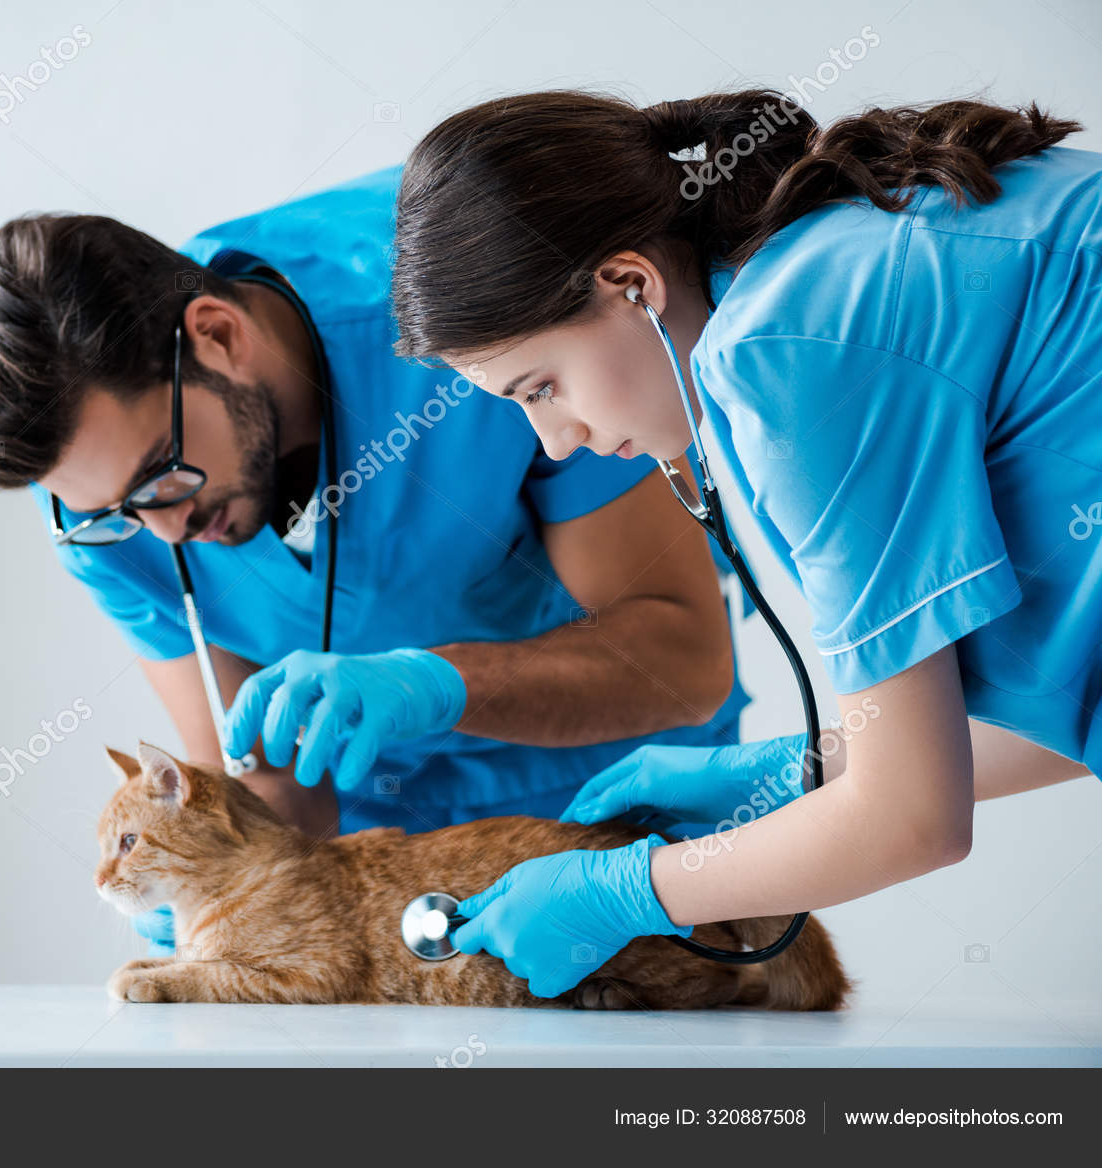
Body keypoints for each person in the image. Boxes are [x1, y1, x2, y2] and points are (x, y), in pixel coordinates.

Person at [390, 88, 1099, 998]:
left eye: (540, 388)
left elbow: (914, 819)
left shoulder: (780, 351)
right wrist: (797, 767)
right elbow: (1064, 713)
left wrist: (624, 893)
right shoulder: (830, 266)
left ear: (632, 284)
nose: (555, 441)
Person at [0, 167, 751, 954]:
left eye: (164, 475)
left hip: (618, 821)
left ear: (218, 336)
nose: (164, 530)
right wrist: (214, 888)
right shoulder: (99, 504)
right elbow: (269, 786)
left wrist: (441, 685)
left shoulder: (474, 313)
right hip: (382, 884)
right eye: (114, 512)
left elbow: (683, 657)